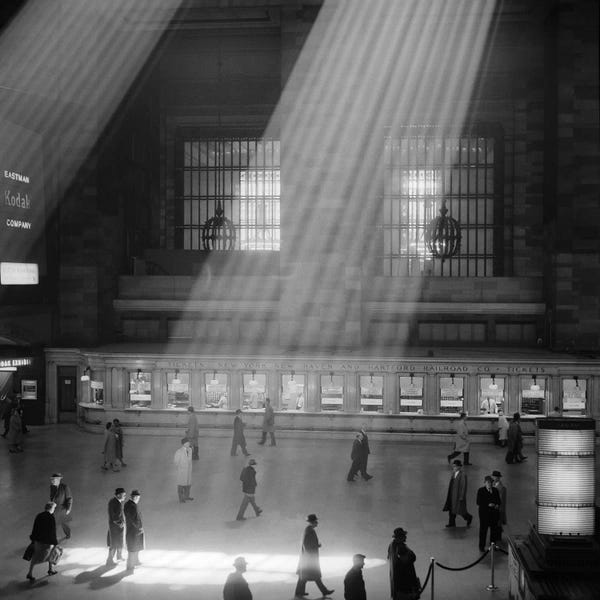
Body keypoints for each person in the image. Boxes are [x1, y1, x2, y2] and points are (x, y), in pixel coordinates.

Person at [294, 514, 334, 598]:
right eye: (316, 521)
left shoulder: (309, 530)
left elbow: (307, 544)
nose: (317, 523)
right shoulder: (309, 530)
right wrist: (316, 547)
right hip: (309, 559)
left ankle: (299, 592)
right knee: (315, 576)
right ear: (312, 522)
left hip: (307, 559)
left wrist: (316, 545)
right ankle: (324, 591)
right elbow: (306, 545)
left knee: (303, 577)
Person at [26, 501, 59, 582]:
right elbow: (52, 531)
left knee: (35, 556)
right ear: (51, 508)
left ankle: (30, 573)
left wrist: (33, 539)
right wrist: (55, 542)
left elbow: (35, 528)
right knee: (52, 553)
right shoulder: (51, 517)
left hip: (38, 540)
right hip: (47, 541)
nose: (54, 509)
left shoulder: (39, 515)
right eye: (54, 508)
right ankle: (50, 569)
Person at [388, 527, 420, 600]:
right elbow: (411, 558)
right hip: (404, 583)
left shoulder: (391, 545)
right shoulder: (401, 547)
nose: (405, 537)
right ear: (399, 537)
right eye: (403, 535)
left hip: (397, 582)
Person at [443, 459, 473, 528]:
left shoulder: (462, 475)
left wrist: (462, 496)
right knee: (451, 509)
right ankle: (451, 523)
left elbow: (463, 486)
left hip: (458, 496)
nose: (454, 468)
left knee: (460, 510)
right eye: (453, 466)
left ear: (459, 467)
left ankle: (468, 517)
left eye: (455, 466)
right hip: (452, 495)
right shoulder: (454, 473)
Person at [476, 475, 501, 552]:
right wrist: (488, 504)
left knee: (494, 531)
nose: (489, 484)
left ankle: (492, 545)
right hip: (484, 515)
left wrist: (497, 505)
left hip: (494, 514)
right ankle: (481, 546)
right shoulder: (481, 491)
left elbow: (499, 501)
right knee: (483, 530)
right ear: (485, 483)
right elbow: (478, 502)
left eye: (490, 482)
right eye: (487, 482)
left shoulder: (495, 491)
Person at [124, 489, 144, 571]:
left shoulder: (129, 504)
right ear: (135, 497)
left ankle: (135, 562)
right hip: (134, 531)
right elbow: (133, 519)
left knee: (135, 547)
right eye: (138, 498)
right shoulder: (132, 505)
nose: (138, 499)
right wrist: (139, 528)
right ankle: (130, 566)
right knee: (132, 548)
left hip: (132, 530)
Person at [49, 473, 73, 539]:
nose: (52, 481)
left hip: (63, 509)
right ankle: (53, 538)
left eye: (53, 480)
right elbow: (52, 497)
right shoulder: (52, 487)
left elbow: (69, 498)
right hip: (54, 509)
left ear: (58, 480)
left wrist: (68, 509)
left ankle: (68, 534)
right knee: (54, 525)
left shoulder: (65, 487)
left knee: (65, 524)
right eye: (51, 479)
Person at [106, 487, 126, 566]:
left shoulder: (117, 502)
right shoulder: (114, 502)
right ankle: (109, 560)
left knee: (119, 543)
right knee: (113, 544)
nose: (125, 496)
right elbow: (114, 516)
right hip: (115, 528)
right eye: (123, 495)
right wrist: (120, 523)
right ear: (118, 495)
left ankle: (119, 556)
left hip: (118, 527)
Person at [174, 437, 194, 502]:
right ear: (184, 444)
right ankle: (181, 498)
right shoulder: (179, 451)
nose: (189, 443)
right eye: (187, 443)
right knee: (181, 485)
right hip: (182, 471)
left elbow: (189, 460)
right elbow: (176, 462)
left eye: (189, 442)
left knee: (188, 485)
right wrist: (181, 467)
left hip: (188, 471)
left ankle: (186, 496)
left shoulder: (190, 450)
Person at [491, 470, 507, 539]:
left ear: (498, 478)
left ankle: (498, 537)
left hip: (498, 508)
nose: (494, 478)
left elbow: (501, 500)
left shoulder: (502, 488)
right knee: (495, 523)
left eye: (495, 477)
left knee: (498, 523)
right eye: (493, 476)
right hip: (493, 507)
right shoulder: (493, 484)